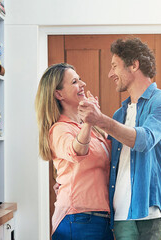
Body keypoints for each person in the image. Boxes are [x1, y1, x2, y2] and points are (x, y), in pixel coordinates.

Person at [78, 38, 161, 240]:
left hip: (147, 213)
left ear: (134, 64)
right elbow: (106, 161)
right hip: (119, 214)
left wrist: (101, 120)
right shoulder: (118, 115)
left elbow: (145, 140)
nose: (110, 74)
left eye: (114, 66)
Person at [35, 63, 114, 240]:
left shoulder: (93, 130)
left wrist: (97, 120)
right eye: (75, 81)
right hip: (77, 219)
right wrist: (88, 122)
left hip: (101, 219)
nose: (83, 84)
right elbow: (77, 150)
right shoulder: (59, 129)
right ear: (58, 94)